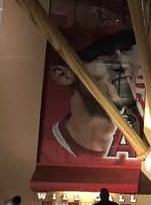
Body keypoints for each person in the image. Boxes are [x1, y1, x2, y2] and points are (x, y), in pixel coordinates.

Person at [38, 18, 144, 165]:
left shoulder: (149, 135)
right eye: (104, 55)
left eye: (126, 50)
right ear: (63, 75)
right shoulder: (45, 148)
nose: (123, 65)